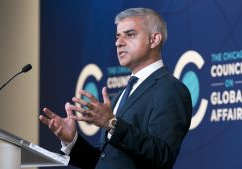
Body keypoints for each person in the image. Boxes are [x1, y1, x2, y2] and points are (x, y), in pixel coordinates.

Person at [39, 7, 192, 169]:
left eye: (130, 34)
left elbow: (163, 156)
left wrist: (112, 123)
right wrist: (72, 141)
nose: (118, 42)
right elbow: (107, 161)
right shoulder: (121, 95)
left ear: (154, 40)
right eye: (118, 36)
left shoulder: (171, 90)